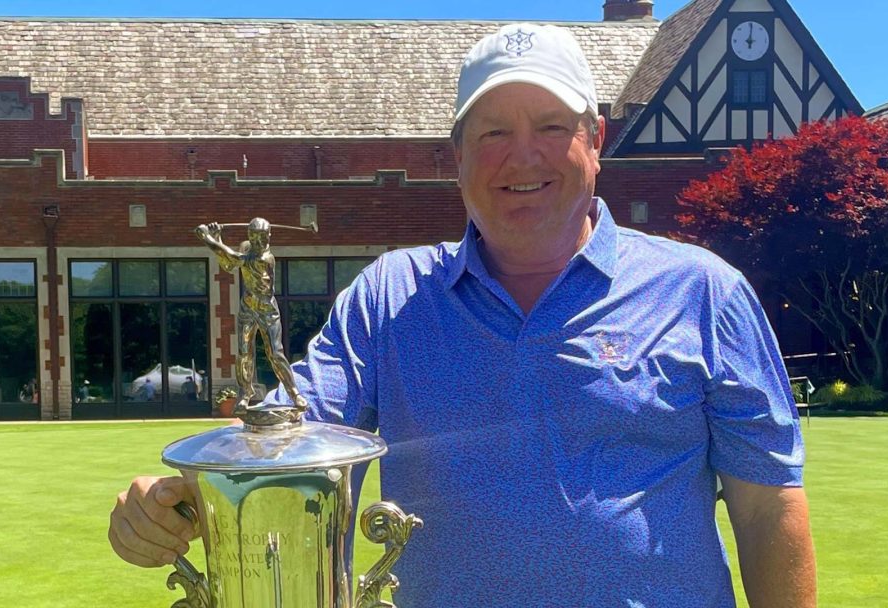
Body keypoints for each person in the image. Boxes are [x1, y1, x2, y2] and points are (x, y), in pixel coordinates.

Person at [109, 23, 815, 607]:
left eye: (550, 125)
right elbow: (280, 447)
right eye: (491, 133)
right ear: (456, 156)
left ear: (596, 141)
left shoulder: (702, 291)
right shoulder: (391, 297)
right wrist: (168, 502)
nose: (523, 155)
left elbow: (767, 509)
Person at [194, 218, 308, 414]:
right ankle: (245, 393)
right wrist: (218, 237)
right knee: (244, 352)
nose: (259, 242)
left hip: (266, 309)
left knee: (275, 353)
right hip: (248, 307)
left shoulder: (264, 258)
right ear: (250, 237)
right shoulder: (248, 253)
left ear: (269, 237)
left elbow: (235, 258)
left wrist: (208, 239)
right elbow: (229, 265)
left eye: (263, 237)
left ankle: (294, 393)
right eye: (255, 238)